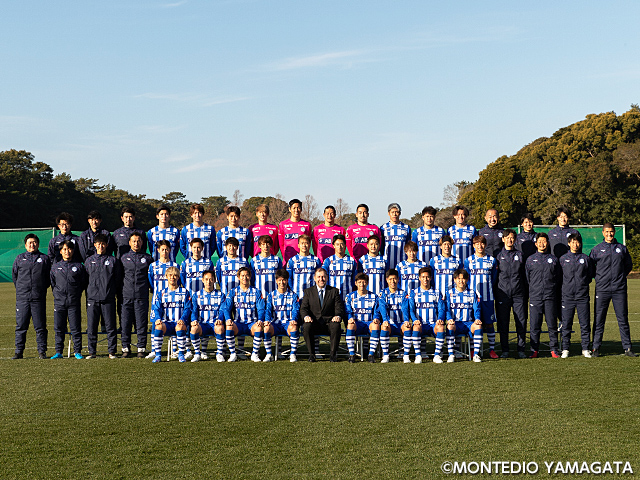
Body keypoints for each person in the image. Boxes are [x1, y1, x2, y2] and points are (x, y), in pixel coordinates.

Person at [590, 223, 636, 357]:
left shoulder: (621, 248)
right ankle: (596, 348)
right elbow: (591, 267)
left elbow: (628, 265)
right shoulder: (597, 249)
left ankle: (627, 348)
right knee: (599, 319)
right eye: (607, 232)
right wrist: (599, 279)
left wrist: (619, 278)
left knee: (622, 319)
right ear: (603, 233)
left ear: (614, 232)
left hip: (619, 289)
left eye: (611, 232)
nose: (609, 234)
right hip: (602, 289)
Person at [12, 234, 51, 359]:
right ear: (25, 245)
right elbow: (15, 276)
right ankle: (19, 352)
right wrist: (21, 289)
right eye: (30, 242)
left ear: (38, 244)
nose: (32, 244)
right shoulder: (19, 258)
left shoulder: (44, 259)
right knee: (21, 326)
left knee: (40, 326)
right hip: (22, 298)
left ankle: (42, 351)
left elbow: (48, 278)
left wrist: (40, 289)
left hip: (38, 298)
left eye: (34, 242)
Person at [84, 234, 121, 359]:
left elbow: (117, 279)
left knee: (111, 326)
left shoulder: (113, 260)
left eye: (103, 244)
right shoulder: (89, 261)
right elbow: (85, 279)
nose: (100, 246)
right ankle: (92, 352)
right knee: (92, 327)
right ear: (95, 245)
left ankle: (112, 352)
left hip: (108, 298)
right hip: (92, 299)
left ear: (106, 245)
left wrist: (111, 291)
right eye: (98, 244)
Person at [525, 233, 560, 358]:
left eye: (544, 241)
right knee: (535, 325)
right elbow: (527, 278)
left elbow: (558, 277)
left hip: (550, 296)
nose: (542, 244)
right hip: (535, 296)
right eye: (539, 241)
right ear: (535, 244)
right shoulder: (530, 259)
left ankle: (554, 349)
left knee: (552, 324)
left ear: (548, 243)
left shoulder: (554, 259)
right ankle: (534, 350)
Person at [50, 240, 87, 359]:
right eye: (65, 249)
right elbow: (53, 283)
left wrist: (75, 294)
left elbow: (83, 283)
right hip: (59, 302)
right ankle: (58, 351)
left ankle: (77, 351)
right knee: (59, 328)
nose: (67, 252)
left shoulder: (79, 266)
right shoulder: (55, 267)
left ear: (73, 251)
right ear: (60, 251)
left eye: (69, 249)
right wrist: (58, 294)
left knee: (75, 328)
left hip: (73, 302)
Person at [404, 266, 449, 363]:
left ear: (431, 278)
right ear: (419, 278)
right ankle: (418, 355)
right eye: (423, 277)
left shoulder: (437, 292)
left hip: (433, 324)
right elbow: (411, 309)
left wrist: (440, 318)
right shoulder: (414, 292)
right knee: (415, 327)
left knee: (441, 327)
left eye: (427, 277)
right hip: (420, 324)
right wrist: (414, 319)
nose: (425, 279)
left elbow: (441, 308)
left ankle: (437, 355)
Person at [299, 267, 345, 362]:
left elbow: (339, 308)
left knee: (336, 326)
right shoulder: (308, 292)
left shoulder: (334, 291)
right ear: (315, 278)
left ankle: (333, 355)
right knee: (306, 326)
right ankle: (312, 355)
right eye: (319, 277)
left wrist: (338, 316)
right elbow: (303, 308)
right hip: (314, 323)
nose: (321, 279)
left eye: (323, 277)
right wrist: (306, 317)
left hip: (329, 323)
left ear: (327, 278)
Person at [559, 233, 594, 358]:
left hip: (582, 296)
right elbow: (559, 277)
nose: (575, 244)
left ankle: (585, 348)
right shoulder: (562, 259)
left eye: (577, 242)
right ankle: (565, 349)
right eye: (573, 242)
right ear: (569, 244)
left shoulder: (586, 259)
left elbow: (590, 275)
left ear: (580, 243)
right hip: (567, 297)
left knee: (584, 324)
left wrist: (582, 285)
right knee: (566, 324)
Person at [464, 236, 499, 359]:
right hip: (473, 299)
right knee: (475, 323)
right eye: (477, 244)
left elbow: (494, 278)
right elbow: (466, 279)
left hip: (488, 298)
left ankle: (492, 350)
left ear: (485, 245)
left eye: (482, 244)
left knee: (489, 324)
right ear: (473, 246)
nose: (480, 246)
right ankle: (474, 350)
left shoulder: (492, 260)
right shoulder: (468, 260)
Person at [222, 267, 266, 362]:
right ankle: (233, 354)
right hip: (238, 323)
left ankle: (254, 354)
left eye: (247, 275)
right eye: (242, 275)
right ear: (238, 277)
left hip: (252, 324)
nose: (244, 278)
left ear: (250, 277)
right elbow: (226, 307)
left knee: (259, 328)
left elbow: (261, 308)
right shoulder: (233, 291)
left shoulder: (256, 292)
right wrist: (228, 319)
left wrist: (260, 319)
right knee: (229, 327)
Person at [495, 229, 528, 358]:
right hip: (502, 294)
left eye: (512, 237)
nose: (510, 239)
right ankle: (505, 350)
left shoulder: (520, 255)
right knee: (503, 323)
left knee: (521, 321)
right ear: (503, 239)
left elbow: (525, 275)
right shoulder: (497, 255)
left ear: (515, 240)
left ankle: (521, 349)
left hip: (518, 294)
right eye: (507, 237)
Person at [120, 232, 154, 358]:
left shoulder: (148, 258)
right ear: (129, 242)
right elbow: (120, 277)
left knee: (141, 323)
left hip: (142, 295)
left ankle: (141, 348)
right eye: (134, 241)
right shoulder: (123, 258)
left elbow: (151, 277)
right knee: (126, 323)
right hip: (126, 295)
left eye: (138, 241)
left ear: (142, 242)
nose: (136, 243)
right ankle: (125, 348)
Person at [150, 266, 192, 363]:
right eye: (170, 275)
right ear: (166, 277)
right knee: (158, 326)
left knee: (180, 326)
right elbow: (157, 308)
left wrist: (183, 319)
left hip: (179, 323)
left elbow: (188, 308)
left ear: (178, 277)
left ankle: (181, 354)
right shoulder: (162, 293)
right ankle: (158, 355)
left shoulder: (184, 292)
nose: (172, 277)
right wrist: (157, 318)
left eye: (175, 275)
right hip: (167, 324)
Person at [444, 269, 483, 363]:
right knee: (450, 326)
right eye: (458, 278)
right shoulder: (449, 293)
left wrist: (477, 319)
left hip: (468, 323)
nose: (461, 281)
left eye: (463, 278)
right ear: (454, 280)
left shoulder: (472, 293)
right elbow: (447, 309)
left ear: (467, 280)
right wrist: (449, 319)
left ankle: (476, 354)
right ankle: (451, 355)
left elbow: (476, 308)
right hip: (455, 323)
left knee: (478, 326)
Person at [190, 270, 226, 362]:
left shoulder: (220, 295)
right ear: (202, 280)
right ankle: (197, 353)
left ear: (214, 280)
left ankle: (219, 353)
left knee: (220, 328)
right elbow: (194, 310)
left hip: (215, 324)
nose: (208, 281)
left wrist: (220, 319)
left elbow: (222, 310)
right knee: (194, 329)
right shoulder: (196, 295)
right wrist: (194, 320)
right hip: (202, 324)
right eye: (206, 279)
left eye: (211, 279)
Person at [265, 269, 301, 362]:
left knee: (294, 327)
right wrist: (267, 320)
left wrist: (294, 319)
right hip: (275, 324)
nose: (282, 282)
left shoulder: (293, 295)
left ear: (287, 280)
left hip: (287, 324)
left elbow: (295, 309)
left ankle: (292, 354)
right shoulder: (271, 295)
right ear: (276, 281)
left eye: (284, 280)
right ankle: (269, 354)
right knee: (266, 328)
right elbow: (268, 310)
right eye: (280, 280)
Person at [344, 273, 381, 363]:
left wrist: (376, 318)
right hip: (357, 323)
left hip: (369, 323)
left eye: (364, 282)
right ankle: (352, 354)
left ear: (367, 283)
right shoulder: (350, 296)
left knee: (376, 325)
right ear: (356, 283)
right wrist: (350, 318)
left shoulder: (374, 296)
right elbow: (348, 311)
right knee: (350, 325)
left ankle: (371, 354)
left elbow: (377, 311)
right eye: (359, 282)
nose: (362, 284)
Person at [377, 269, 407, 363]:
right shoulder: (383, 293)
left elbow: (405, 308)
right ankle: (386, 355)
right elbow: (382, 307)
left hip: (400, 323)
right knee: (384, 327)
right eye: (390, 279)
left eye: (394, 279)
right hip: (389, 323)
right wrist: (385, 320)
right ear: (386, 280)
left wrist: (406, 320)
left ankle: (405, 355)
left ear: (398, 279)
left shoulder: (403, 293)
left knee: (407, 327)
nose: (393, 281)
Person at [322, 234, 357, 301]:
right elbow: (324, 278)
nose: (339, 247)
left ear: (344, 245)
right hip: (332, 297)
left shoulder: (351, 261)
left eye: (341, 244)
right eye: (337, 244)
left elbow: (354, 279)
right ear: (334, 245)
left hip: (348, 297)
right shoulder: (328, 261)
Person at [278, 198, 313, 265]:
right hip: (288, 260)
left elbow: (309, 242)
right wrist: (285, 257)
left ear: (301, 209)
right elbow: (281, 244)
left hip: (303, 260)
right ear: (289, 209)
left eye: (298, 208)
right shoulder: (283, 224)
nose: (296, 210)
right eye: (294, 208)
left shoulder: (307, 225)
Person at [286, 234, 321, 298]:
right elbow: (289, 278)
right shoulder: (292, 260)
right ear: (298, 245)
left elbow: (319, 278)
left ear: (310, 245)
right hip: (297, 295)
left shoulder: (316, 260)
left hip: (312, 295)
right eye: (302, 243)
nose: (304, 245)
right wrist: (293, 291)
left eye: (306, 243)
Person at [381, 203, 411, 272]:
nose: (394, 214)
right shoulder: (383, 228)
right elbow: (382, 246)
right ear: (388, 213)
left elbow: (408, 245)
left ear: (400, 213)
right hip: (387, 263)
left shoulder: (406, 228)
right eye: (392, 212)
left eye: (396, 212)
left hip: (402, 263)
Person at [430, 235, 461, 299]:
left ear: (451, 246)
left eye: (449, 244)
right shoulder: (434, 260)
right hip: (438, 295)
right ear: (441, 246)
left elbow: (460, 278)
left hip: (453, 295)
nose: (447, 246)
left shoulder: (457, 260)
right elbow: (431, 278)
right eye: (444, 244)